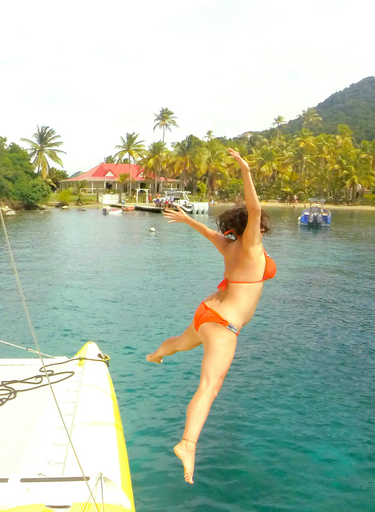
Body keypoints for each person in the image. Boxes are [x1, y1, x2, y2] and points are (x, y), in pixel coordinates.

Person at [146, 148, 275, 484]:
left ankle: (156, 354)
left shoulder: (228, 245)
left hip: (207, 313)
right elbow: (256, 207)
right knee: (209, 387)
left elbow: (206, 233)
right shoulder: (249, 247)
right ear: (253, 227)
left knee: (180, 343)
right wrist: (246, 172)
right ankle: (187, 445)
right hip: (223, 325)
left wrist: (188, 219)